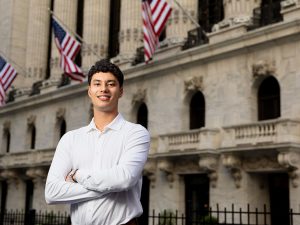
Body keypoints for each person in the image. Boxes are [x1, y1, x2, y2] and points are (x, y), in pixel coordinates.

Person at [45, 59, 150, 225]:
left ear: (121, 91)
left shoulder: (136, 133)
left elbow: (124, 179)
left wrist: (77, 175)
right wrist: (110, 188)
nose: (103, 89)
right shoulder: (70, 139)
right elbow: (52, 192)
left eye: (111, 84)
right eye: (97, 84)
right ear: (89, 91)